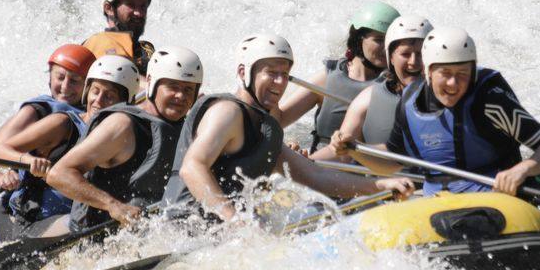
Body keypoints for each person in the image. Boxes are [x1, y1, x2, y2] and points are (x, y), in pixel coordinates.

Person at [162, 33, 415, 223]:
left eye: (285, 74)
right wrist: (235, 222)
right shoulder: (227, 112)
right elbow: (192, 167)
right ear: (243, 72)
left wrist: (379, 186)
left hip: (222, 235)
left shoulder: (265, 127)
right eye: (271, 73)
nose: (280, 82)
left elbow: (316, 176)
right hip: (185, 231)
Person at [330, 27, 540, 196]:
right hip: (439, 203)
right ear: (428, 72)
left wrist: (522, 170)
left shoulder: (489, 99)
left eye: (462, 74)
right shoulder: (411, 102)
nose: (453, 84)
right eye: (445, 74)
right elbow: (393, 159)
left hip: (497, 199)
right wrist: (355, 150)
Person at [45, 47, 202, 234]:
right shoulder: (122, 125)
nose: (181, 96)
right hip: (97, 241)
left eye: (188, 89)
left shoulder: (189, 130)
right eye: (173, 87)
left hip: (148, 238)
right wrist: (113, 205)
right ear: (151, 82)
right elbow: (59, 174)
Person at [0, 56, 140, 240]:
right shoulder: (62, 124)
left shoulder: (123, 135)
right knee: (83, 224)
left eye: (109, 96)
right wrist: (29, 160)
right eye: (95, 91)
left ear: (124, 104)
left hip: (75, 218)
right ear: (87, 92)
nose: (98, 101)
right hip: (33, 220)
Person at [276, 1, 400, 152]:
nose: (385, 48)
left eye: (390, 41)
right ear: (359, 39)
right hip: (319, 168)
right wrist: (290, 145)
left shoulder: (397, 85)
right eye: (379, 40)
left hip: (369, 170)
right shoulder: (327, 79)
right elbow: (278, 120)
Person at [0, 44, 96, 191]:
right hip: (30, 201)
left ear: (88, 85)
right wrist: (1, 178)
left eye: (74, 80)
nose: (65, 87)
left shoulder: (94, 111)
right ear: (50, 77)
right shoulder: (36, 111)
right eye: (60, 77)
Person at [310, 14, 432, 161]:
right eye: (405, 54)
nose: (414, 62)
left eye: (421, 54)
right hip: (381, 182)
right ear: (391, 58)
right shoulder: (368, 98)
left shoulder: (451, 97)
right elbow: (340, 156)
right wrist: (301, 163)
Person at [83, 0, 160, 76]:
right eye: (130, 5)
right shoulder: (101, 41)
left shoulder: (144, 49)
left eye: (143, 6)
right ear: (109, 8)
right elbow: (127, 79)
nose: (139, 13)